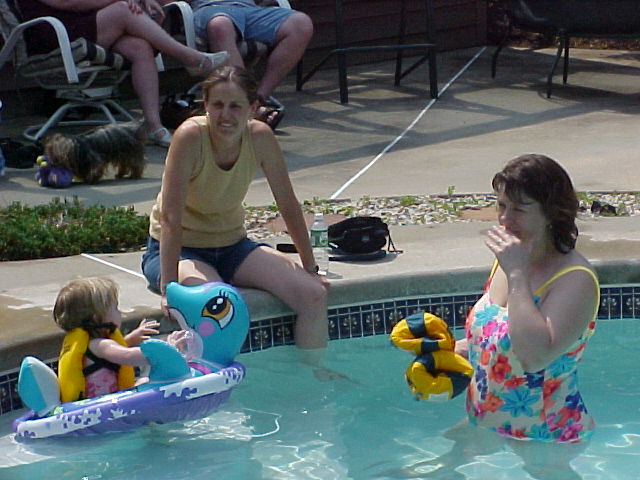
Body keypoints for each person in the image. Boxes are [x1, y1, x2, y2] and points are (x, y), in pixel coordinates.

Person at [141, 65, 328, 352]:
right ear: (205, 105)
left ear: (252, 108)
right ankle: (216, 380)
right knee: (219, 308)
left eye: (235, 106)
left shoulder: (260, 137)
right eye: (217, 105)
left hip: (233, 246)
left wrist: (310, 267)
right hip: (180, 251)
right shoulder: (190, 137)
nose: (225, 115)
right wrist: (169, 288)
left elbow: (288, 204)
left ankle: (314, 375)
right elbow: (170, 218)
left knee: (313, 295)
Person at [456, 154, 600, 444]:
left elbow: (535, 358)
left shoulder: (575, 279)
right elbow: (493, 342)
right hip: (484, 426)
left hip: (546, 441)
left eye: (519, 209)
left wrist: (517, 274)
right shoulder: (509, 260)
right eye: (501, 206)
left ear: (552, 213)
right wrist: (443, 351)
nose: (505, 219)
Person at [18, 0, 230, 147]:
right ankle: (191, 59)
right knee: (122, 10)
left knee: (140, 48)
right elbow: (66, 3)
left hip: (90, 24)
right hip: (54, 34)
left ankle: (153, 126)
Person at [53, 276, 187, 399]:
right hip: (103, 406)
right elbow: (129, 357)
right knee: (150, 383)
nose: (120, 313)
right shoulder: (102, 345)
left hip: (95, 400)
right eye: (116, 308)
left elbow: (108, 356)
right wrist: (167, 350)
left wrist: (129, 340)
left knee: (143, 381)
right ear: (96, 317)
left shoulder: (89, 344)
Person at [188, 0, 313, 129]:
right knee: (220, 25)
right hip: (210, 9)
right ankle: (244, 104)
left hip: (249, 10)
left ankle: (257, 100)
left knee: (301, 23)